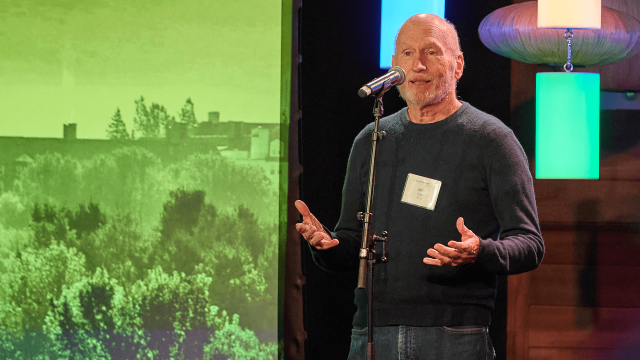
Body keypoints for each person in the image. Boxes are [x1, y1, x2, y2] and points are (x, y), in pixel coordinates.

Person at [295, 13, 544, 360]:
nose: (419, 65)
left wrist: (480, 251)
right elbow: (351, 245)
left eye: (431, 52)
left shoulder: (492, 140)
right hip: (370, 333)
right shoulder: (372, 139)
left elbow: (530, 244)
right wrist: (325, 245)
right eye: (408, 54)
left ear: (457, 65)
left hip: (455, 334)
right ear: (394, 66)